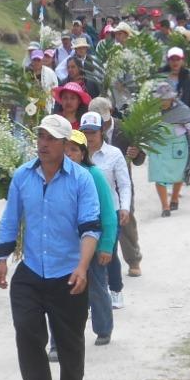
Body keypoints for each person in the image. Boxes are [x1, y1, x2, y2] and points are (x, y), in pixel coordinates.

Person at [0, 114, 101, 380]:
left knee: (69, 337)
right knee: (27, 331)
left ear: (66, 144)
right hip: (31, 268)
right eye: (41, 136)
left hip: (68, 270)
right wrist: (2, 259)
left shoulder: (81, 179)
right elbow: (11, 220)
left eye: (51, 138)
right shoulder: (23, 176)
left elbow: (91, 228)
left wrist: (82, 267)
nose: (44, 143)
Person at [63, 129, 117, 347]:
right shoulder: (58, 175)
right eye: (65, 150)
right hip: (68, 246)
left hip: (92, 244)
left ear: (83, 153)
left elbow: (107, 213)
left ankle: (103, 328)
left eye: (74, 150)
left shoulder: (93, 175)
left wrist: (106, 245)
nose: (69, 155)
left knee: (96, 287)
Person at [89, 96, 145, 284]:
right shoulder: (88, 130)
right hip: (96, 186)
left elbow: (140, 158)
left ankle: (133, 259)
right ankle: (103, 265)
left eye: (103, 122)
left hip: (121, 183)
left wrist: (136, 154)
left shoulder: (124, 129)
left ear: (110, 113)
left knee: (126, 221)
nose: (101, 128)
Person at [81, 111, 131, 312]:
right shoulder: (76, 155)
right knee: (87, 255)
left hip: (111, 212)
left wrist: (125, 207)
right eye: (85, 132)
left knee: (107, 251)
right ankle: (92, 299)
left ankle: (116, 289)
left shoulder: (114, 154)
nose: (89, 136)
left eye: (93, 132)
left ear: (101, 131)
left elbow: (124, 184)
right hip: (85, 214)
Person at [147, 81, 190, 216]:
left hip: (177, 144)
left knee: (178, 173)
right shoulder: (150, 109)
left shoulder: (183, 109)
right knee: (158, 174)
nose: (162, 102)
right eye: (160, 99)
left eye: (165, 99)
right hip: (157, 144)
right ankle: (165, 206)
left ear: (172, 98)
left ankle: (174, 198)